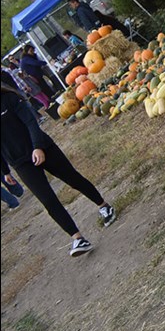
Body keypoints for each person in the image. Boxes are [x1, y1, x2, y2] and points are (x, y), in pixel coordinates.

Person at [1, 71, 116, 256]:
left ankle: (104, 205)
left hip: (42, 148)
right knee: (48, 200)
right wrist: (5, 171)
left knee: (73, 179)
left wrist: (37, 147)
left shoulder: (8, 99)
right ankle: (78, 238)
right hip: (21, 163)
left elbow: (31, 122)